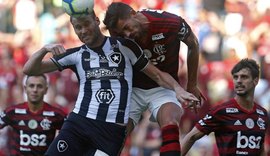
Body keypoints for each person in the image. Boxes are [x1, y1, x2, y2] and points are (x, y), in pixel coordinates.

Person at [22, 10, 198, 156]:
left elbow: (158, 75)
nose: (83, 31)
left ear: (97, 20)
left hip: (109, 131)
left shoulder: (125, 46)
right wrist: (44, 49)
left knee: (169, 121)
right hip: (79, 124)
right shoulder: (75, 55)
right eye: (78, 28)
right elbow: (29, 70)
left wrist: (179, 89)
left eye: (86, 24)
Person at [103, 2, 205, 155]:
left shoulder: (170, 22)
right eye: (121, 32)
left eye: (127, 27)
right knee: (115, 135)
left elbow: (193, 44)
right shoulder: (117, 35)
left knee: (170, 121)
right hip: (132, 89)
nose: (127, 35)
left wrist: (192, 84)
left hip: (164, 87)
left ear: (132, 13)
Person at [181, 58, 269, 156]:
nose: (239, 81)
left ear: (255, 81)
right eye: (236, 77)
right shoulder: (221, 111)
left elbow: (260, 149)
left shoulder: (262, 114)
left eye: (244, 77)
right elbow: (191, 137)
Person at [0, 74, 66, 156]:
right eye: (31, 86)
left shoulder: (56, 114)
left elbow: (73, 135)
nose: (35, 90)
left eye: (39, 86)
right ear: (25, 89)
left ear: (46, 90)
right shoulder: (13, 112)